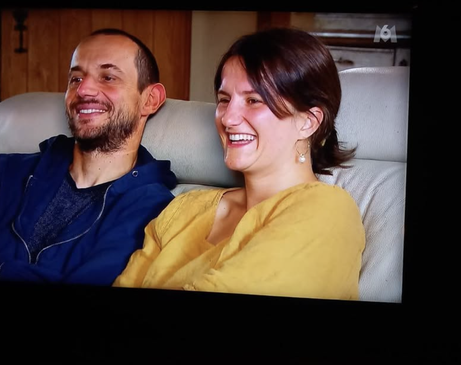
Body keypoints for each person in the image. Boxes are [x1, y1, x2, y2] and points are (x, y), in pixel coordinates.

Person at [114, 28, 366, 300]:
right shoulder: (184, 208)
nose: (227, 118)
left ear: (308, 122)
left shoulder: (327, 210)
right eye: (224, 100)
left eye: (253, 100)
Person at [0, 28, 177, 285]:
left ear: (150, 100)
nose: (83, 89)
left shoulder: (152, 209)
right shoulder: (7, 173)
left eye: (108, 77)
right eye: (75, 78)